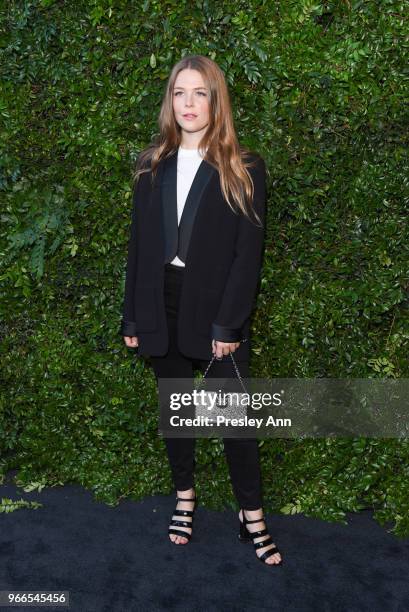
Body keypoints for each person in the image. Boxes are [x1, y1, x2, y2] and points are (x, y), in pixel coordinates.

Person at [120, 55, 282, 566]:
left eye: (200, 93)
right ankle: (184, 497)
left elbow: (246, 257)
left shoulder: (243, 166)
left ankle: (250, 514)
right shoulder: (152, 162)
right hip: (158, 302)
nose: (188, 103)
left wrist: (228, 324)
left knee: (236, 420)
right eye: (179, 93)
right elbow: (139, 247)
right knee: (178, 413)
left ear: (216, 101)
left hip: (215, 309)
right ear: (170, 101)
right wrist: (132, 318)